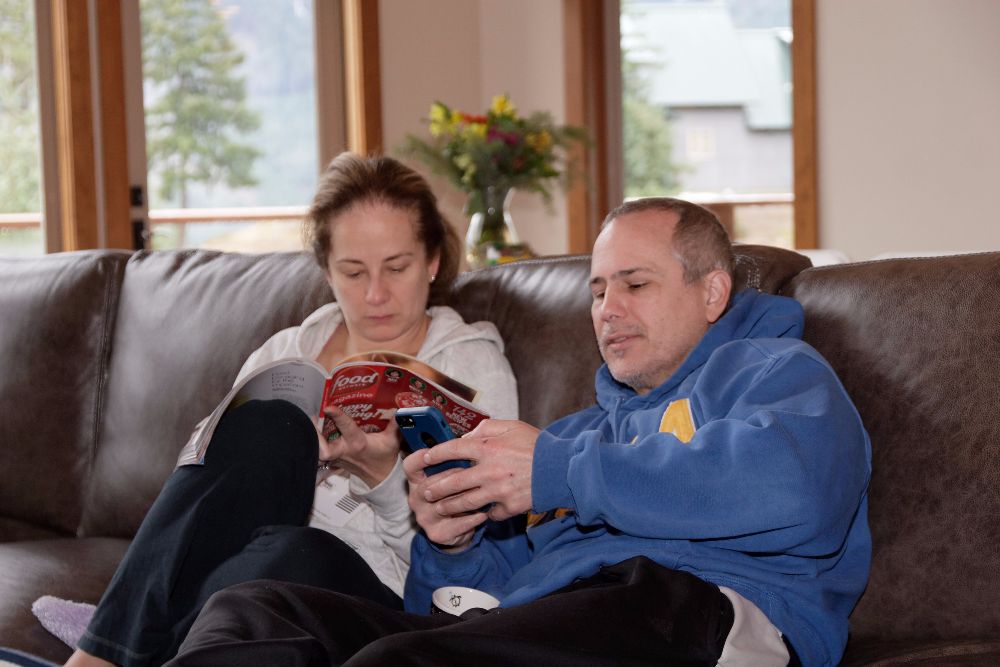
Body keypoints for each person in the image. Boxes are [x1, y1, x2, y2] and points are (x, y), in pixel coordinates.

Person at [162, 197, 871, 667]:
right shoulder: (579, 432)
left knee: (399, 662)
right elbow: (464, 598)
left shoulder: (776, 372)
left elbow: (797, 491)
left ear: (711, 291)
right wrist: (453, 543)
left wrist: (562, 471)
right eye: (597, 290)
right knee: (254, 612)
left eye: (635, 284)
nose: (608, 309)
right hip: (550, 617)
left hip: (693, 607)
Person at [64, 152, 518, 667]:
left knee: (295, 553)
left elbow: (482, 554)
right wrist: (297, 458)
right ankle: (98, 658)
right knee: (270, 429)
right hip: (250, 575)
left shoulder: (472, 366)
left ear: (432, 261)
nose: (375, 294)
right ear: (326, 270)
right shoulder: (287, 351)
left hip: (378, 598)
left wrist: (381, 477)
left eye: (397, 267)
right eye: (352, 271)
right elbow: (198, 495)